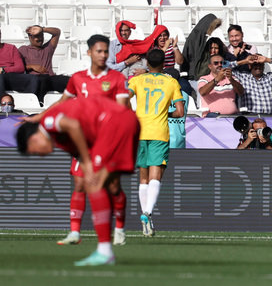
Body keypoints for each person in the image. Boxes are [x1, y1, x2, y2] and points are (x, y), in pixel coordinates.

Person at [24, 35, 131, 246]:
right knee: (80, 184)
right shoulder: (78, 79)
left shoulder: (117, 80)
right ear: (89, 52)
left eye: (105, 52)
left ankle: (119, 228)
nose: (102, 55)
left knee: (113, 187)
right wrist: (38, 117)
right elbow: (62, 103)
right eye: (98, 51)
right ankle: (74, 232)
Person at [16, 96, 140, 266]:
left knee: (95, 184)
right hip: (126, 122)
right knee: (102, 185)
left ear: (33, 138)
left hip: (114, 123)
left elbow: (73, 125)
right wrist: (87, 164)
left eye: (35, 152)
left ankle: (105, 251)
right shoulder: (60, 140)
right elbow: (82, 149)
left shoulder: (48, 122)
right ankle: (106, 248)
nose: (41, 155)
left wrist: (88, 164)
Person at [127, 49, 185, 237]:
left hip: (139, 132)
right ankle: (147, 213)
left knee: (143, 178)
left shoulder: (136, 80)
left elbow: (122, 98)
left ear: (146, 63)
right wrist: (164, 113)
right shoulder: (171, 82)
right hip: (159, 132)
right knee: (156, 176)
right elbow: (180, 112)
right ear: (164, 64)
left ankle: (146, 218)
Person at [18, 25, 70, 102]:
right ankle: (40, 104)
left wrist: (42, 29)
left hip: (50, 78)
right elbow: (18, 67)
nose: (39, 39)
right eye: (36, 37)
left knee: (71, 80)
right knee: (42, 80)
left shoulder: (47, 48)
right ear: (30, 37)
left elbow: (57, 32)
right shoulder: (23, 49)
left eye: (41, 36)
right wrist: (32, 66)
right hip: (35, 79)